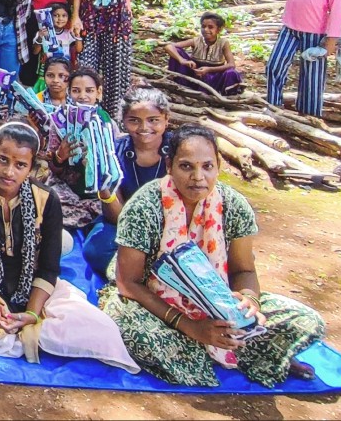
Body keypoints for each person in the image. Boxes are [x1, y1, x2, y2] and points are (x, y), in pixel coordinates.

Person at [100, 124, 325, 387]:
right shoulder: (144, 206)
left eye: (207, 166)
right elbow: (128, 283)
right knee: (125, 323)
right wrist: (190, 326)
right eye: (186, 166)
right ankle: (235, 350)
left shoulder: (234, 206)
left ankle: (222, 344)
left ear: (218, 165)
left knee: (307, 320)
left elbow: (244, 271)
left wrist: (249, 303)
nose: (198, 177)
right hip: (154, 300)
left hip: (217, 300)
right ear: (170, 165)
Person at [0, 123, 139, 373]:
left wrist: (31, 312)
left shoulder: (46, 199)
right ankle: (19, 330)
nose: (9, 171)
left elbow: (49, 266)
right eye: (2, 160)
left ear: (31, 169)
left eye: (20, 165)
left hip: (35, 290)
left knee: (99, 328)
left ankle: (22, 327)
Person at [82, 87, 172, 277]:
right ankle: (142, 270)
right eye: (134, 120)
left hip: (173, 222)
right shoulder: (114, 152)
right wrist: (105, 191)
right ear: (123, 122)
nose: (144, 128)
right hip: (124, 221)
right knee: (95, 250)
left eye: (153, 120)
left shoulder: (178, 150)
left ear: (166, 119)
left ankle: (138, 268)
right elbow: (116, 214)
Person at [266, 0, 341, 117]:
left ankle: (309, 116)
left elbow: (336, 12)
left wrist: (331, 41)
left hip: (315, 34)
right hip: (290, 30)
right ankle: (273, 106)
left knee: (312, 77)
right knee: (274, 65)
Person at [46, 68, 114, 230]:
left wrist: (93, 164)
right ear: (69, 93)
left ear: (98, 92)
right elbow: (53, 167)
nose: (83, 96)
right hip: (67, 186)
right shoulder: (60, 120)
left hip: (97, 192)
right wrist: (59, 157)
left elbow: (113, 166)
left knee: (108, 209)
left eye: (89, 91)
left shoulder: (106, 122)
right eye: (76, 91)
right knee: (49, 205)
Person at [165, 12, 244, 96]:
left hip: (214, 78)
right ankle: (179, 85)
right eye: (203, 26)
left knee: (231, 73)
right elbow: (169, 46)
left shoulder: (223, 43)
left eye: (210, 27)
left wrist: (209, 69)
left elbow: (231, 64)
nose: (206, 30)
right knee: (177, 51)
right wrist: (182, 61)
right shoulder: (196, 41)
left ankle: (228, 94)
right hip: (194, 76)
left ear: (219, 29)